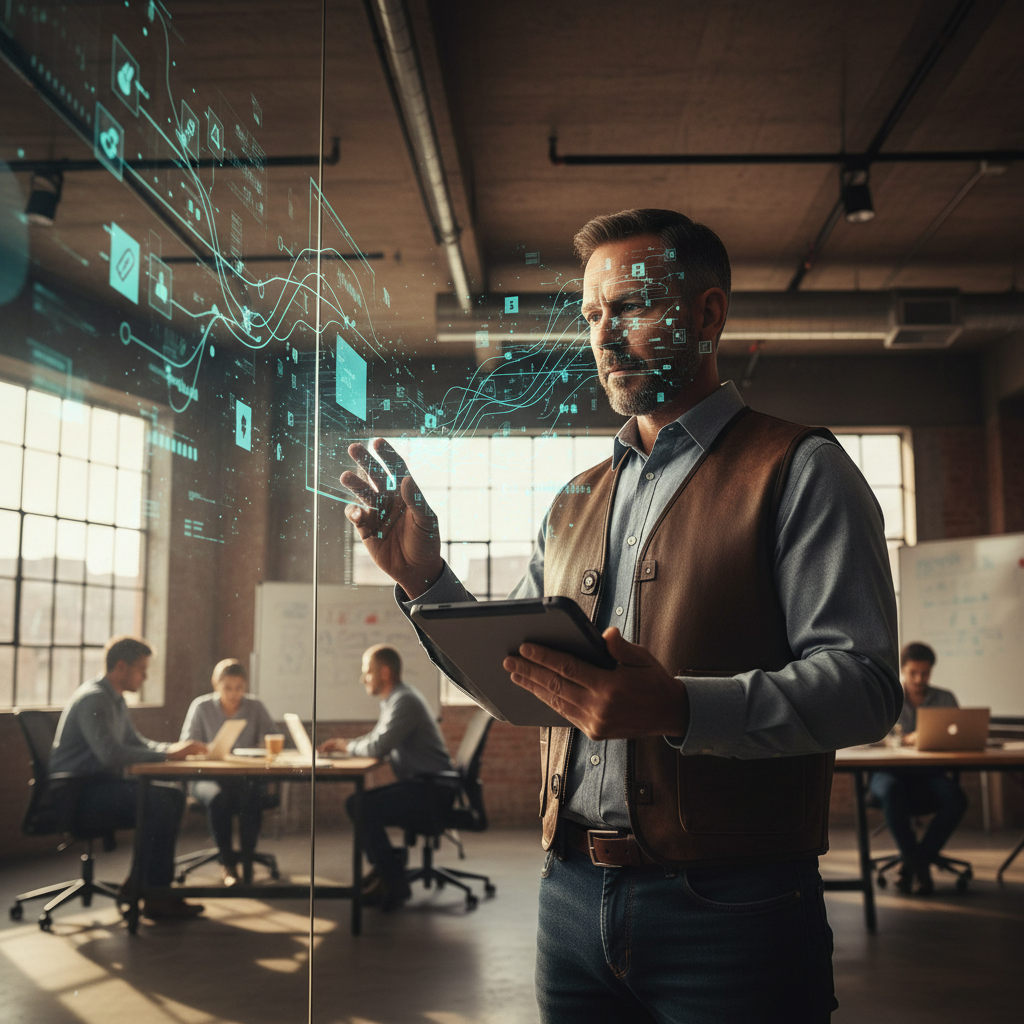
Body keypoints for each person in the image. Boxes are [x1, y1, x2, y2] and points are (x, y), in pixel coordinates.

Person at [340, 208, 902, 1023]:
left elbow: (865, 687)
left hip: (735, 907)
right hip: (569, 896)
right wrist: (426, 581)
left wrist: (679, 706)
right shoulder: (575, 500)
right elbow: (519, 679)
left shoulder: (800, 470)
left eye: (633, 306)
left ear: (708, 315)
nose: (604, 335)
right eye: (593, 314)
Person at [48, 635, 208, 920]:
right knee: (161, 801)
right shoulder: (94, 699)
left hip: (98, 786)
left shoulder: (114, 699)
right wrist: (168, 755)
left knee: (172, 795)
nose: (145, 677)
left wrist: (173, 749)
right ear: (121, 667)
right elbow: (111, 754)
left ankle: (144, 883)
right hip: (79, 792)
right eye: (142, 669)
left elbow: (137, 743)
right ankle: (155, 895)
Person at [318, 644, 454, 911]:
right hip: (427, 786)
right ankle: (387, 870)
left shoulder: (404, 701)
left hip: (431, 791)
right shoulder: (397, 699)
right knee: (360, 804)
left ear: (385, 672)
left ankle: (392, 878)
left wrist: (346, 746)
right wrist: (347, 744)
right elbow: (376, 739)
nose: (363, 679)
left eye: (367, 672)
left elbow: (378, 747)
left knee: (359, 805)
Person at [869, 641, 967, 894]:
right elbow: (868, 739)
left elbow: (958, 738)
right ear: (902, 670)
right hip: (887, 773)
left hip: (929, 773)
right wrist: (904, 739)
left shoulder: (944, 698)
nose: (919, 679)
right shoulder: (887, 697)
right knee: (892, 791)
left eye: (925, 673)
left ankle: (913, 861)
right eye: (913, 673)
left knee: (956, 799)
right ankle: (920, 866)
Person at [180, 659, 278, 884]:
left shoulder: (255, 706)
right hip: (207, 778)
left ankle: (247, 860)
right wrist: (205, 749)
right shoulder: (201, 707)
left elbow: (273, 737)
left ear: (246, 686)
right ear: (216, 685)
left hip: (244, 777)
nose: (234, 694)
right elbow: (186, 744)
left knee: (251, 795)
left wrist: (263, 746)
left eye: (239, 688)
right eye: (227, 688)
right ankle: (227, 864)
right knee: (218, 798)